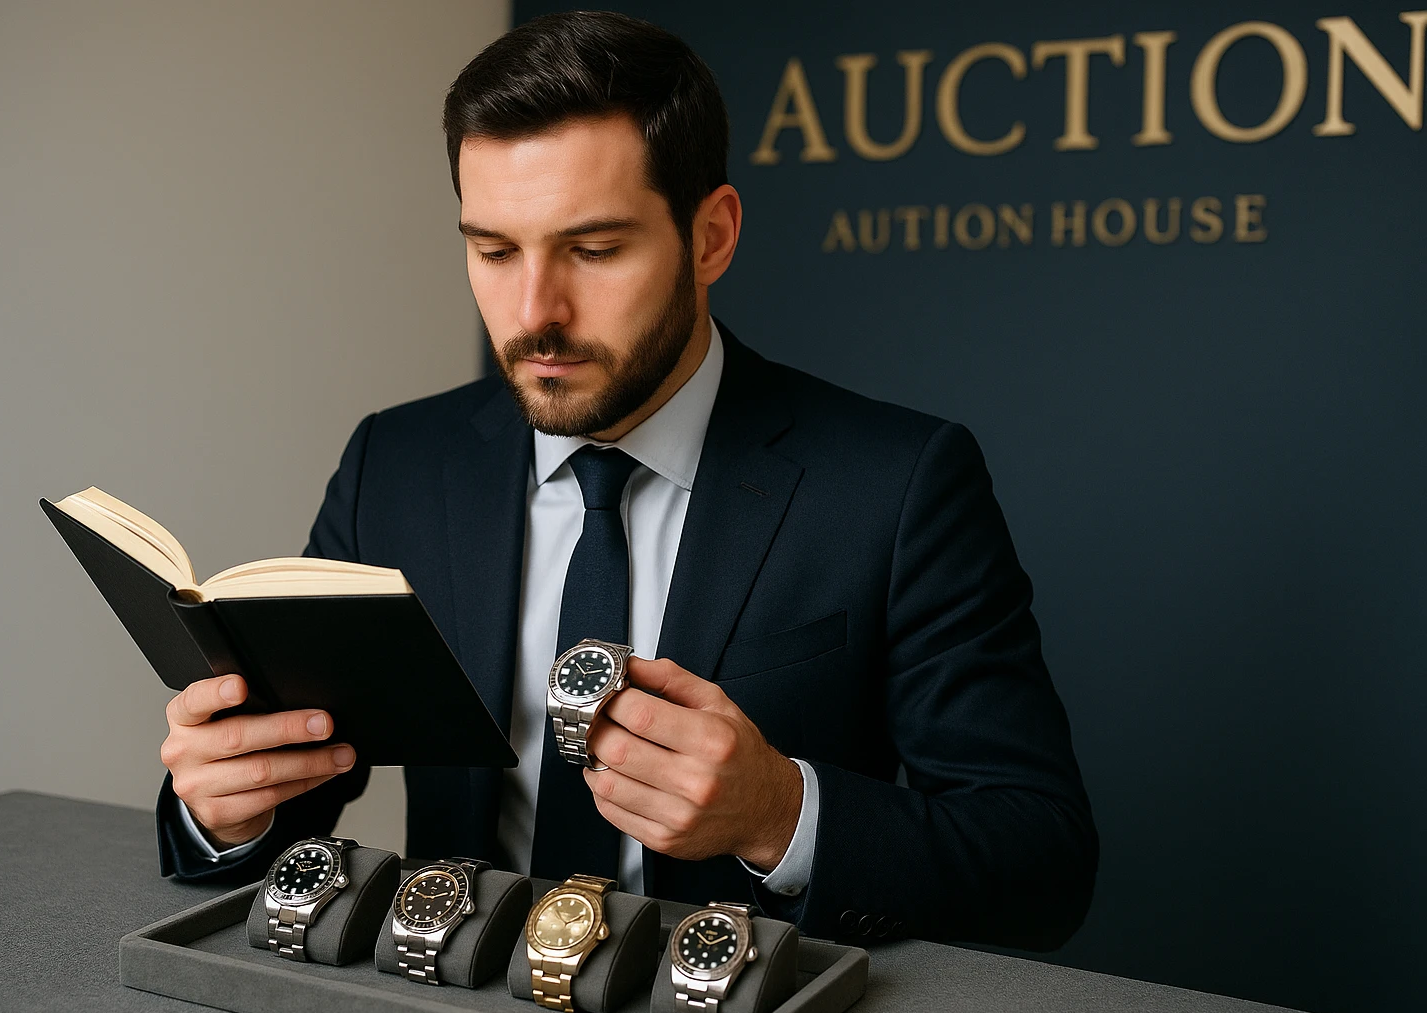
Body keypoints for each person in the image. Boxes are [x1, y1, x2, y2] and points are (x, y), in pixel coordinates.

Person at [154, 10, 1097, 949]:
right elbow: (292, 782)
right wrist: (227, 812)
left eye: (595, 250)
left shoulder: (898, 484)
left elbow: (1041, 864)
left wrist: (781, 813)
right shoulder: (393, 466)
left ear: (712, 237)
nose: (535, 314)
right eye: (493, 250)